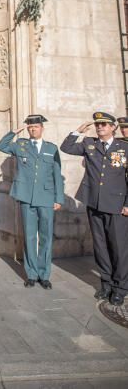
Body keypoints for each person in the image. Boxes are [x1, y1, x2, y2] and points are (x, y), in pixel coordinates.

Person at [60, 112, 128, 306]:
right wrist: (78, 131)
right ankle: (106, 284)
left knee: (119, 248)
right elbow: (66, 147)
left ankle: (120, 288)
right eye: (98, 125)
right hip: (94, 203)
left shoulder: (124, 147)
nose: (100, 127)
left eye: (105, 125)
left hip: (117, 206)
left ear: (113, 127)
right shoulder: (90, 144)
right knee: (100, 246)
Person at [0, 115, 64, 289]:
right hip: (26, 197)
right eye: (30, 127)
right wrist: (13, 132)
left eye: (35, 126)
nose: (32, 129)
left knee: (46, 237)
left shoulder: (52, 148)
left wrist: (58, 198)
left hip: (47, 198)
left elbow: (57, 174)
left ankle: (44, 274)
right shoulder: (21, 145)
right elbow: (1, 146)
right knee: (29, 236)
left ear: (42, 128)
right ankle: (31, 274)